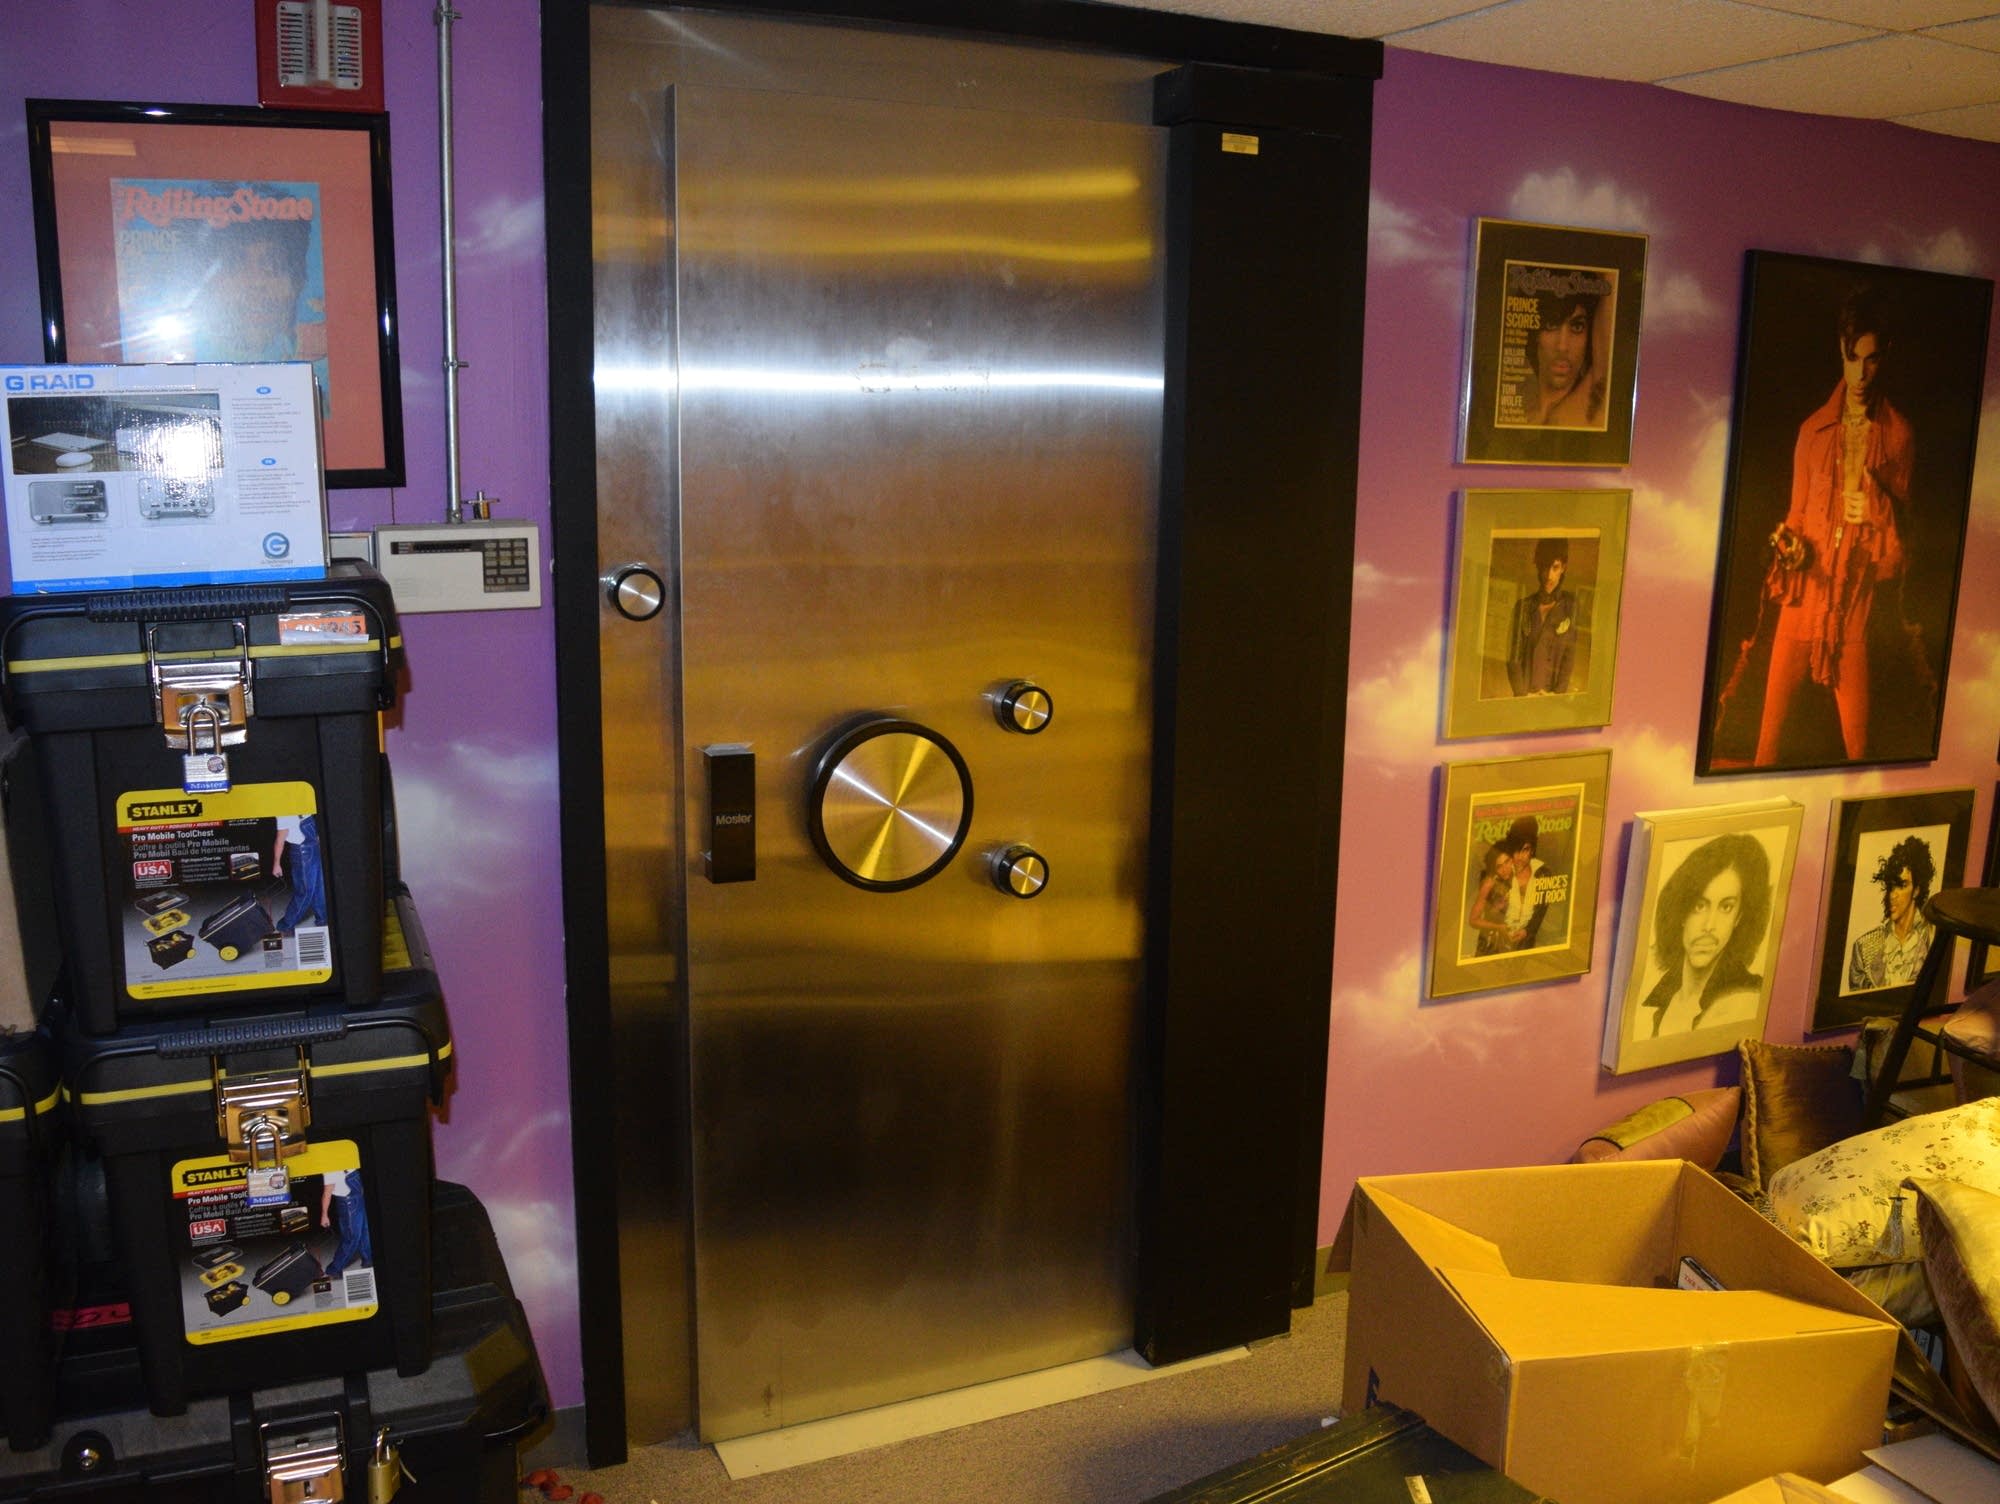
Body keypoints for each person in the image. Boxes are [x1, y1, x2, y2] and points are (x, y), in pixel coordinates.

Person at [1752, 285, 1912, 766]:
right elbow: (1797, 515)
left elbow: (1899, 563)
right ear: (1840, 353)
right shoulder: (1812, 431)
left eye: (1872, 359)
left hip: (1854, 611)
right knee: (1766, 745)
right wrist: (1789, 546)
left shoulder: (1899, 437)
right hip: (1802, 603)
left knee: (1859, 751)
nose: (1861, 374)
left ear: (1885, 356)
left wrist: (1881, 512)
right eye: (1852, 358)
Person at [1638, 832, 1773, 1038]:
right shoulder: (1660, 1001)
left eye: (1726, 907)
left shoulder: (1748, 998)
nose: (1709, 926)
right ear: (1681, 912)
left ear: (1738, 917)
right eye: (1699, 906)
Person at [1848, 834, 1936, 990]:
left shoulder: (1934, 938)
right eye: (1891, 886)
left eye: (1902, 885)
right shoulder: (1863, 948)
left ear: (1916, 890)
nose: (1893, 895)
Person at [1522, 284, 1606, 427]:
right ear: (1535, 335)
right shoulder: (1519, 414)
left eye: (1577, 327)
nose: (1562, 346)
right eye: (1551, 325)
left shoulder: (1594, 409)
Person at [1506, 538, 1577, 695]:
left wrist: (1556, 696)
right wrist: (1523, 696)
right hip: (1525, 697)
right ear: (1538, 566)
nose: (1549, 575)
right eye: (1545, 567)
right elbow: (1513, 659)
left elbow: (1569, 658)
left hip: (1553, 699)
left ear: (1563, 568)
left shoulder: (1570, 606)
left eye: (1555, 567)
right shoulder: (1523, 607)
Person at [272, 813, 326, 933]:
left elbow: (314, 832)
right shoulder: (285, 813)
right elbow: (280, 840)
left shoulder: (300, 806)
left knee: (318, 888)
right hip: (303, 853)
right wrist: (276, 864)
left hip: (313, 850)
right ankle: (286, 925)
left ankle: (323, 919)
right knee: (306, 891)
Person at [1501, 816, 1549, 950]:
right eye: (1516, 850)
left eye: (1525, 850)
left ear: (1532, 849)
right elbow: (1490, 912)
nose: (1519, 857)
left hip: (1526, 942)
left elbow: (1541, 912)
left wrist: (1527, 931)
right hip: (1500, 939)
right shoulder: (1502, 873)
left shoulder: (1543, 874)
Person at [320, 1168, 372, 1277]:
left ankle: (368, 1259)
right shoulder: (329, 1169)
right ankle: (334, 1269)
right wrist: (324, 1215)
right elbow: (326, 1194)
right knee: (351, 1238)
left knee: (365, 1231)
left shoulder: (347, 1160)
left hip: (359, 1199)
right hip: (348, 1205)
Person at [1466, 842, 1516, 956]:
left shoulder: (1517, 877)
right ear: (1494, 868)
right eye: (1499, 866)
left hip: (1512, 938)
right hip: (1490, 941)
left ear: (1512, 859)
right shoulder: (1489, 884)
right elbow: (1473, 920)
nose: (1505, 869)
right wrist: (1498, 927)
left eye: (1507, 861)